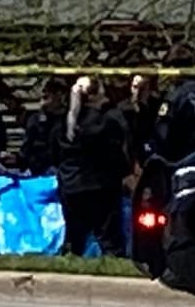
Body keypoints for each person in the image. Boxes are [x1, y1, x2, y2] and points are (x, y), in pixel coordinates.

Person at [50, 76, 129, 256]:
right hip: (101, 187)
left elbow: (55, 156)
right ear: (93, 96)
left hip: (71, 186)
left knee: (74, 236)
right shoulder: (106, 122)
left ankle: (69, 262)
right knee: (109, 238)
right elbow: (116, 155)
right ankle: (112, 263)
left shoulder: (62, 124)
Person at [20, 79, 68, 176]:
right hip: (37, 168)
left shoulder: (68, 119)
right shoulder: (35, 119)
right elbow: (27, 147)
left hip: (62, 169)